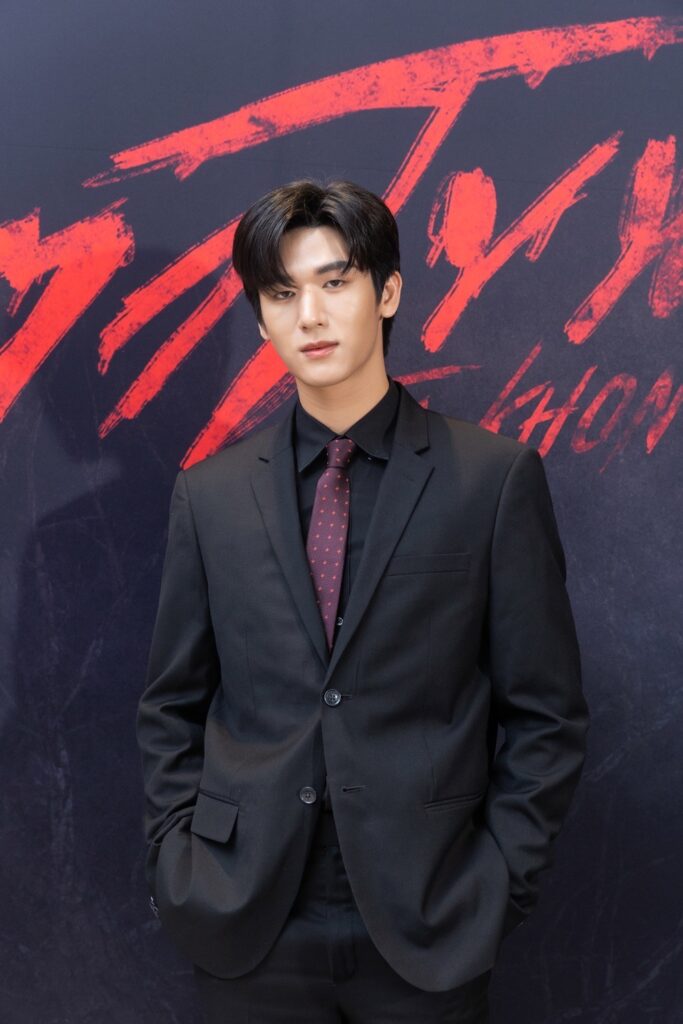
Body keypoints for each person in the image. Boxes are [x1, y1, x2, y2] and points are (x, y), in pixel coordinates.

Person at [135, 178, 590, 1022]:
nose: (309, 315)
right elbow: (172, 704)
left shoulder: (490, 480)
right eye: (281, 293)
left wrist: (497, 882)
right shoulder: (211, 496)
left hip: (429, 921)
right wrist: (179, 860)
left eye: (334, 282)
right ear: (260, 317)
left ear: (386, 292)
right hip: (245, 923)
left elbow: (546, 715)